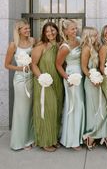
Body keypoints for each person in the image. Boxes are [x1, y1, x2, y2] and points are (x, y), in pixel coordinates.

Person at [31, 22, 63, 152]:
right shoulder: (41, 46)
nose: (50, 33)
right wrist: (41, 78)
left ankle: (53, 139)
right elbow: (33, 64)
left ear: (57, 31)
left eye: (52, 30)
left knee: (56, 109)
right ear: (44, 33)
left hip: (57, 81)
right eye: (47, 31)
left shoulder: (60, 45)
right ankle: (44, 141)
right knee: (47, 110)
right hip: (44, 82)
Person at [5, 19, 35, 150]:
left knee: (31, 109)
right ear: (19, 31)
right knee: (21, 110)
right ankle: (20, 141)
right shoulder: (13, 45)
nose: (28, 30)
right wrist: (21, 68)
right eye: (25, 29)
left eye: (28, 28)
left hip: (32, 78)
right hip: (20, 80)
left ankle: (30, 137)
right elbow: (7, 65)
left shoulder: (33, 41)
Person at [56, 19, 85, 151]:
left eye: (75, 28)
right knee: (74, 106)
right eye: (72, 29)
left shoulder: (79, 40)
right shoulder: (64, 47)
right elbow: (58, 65)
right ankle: (72, 140)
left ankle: (80, 135)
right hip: (71, 76)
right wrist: (68, 78)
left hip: (81, 74)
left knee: (80, 105)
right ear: (66, 31)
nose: (75, 30)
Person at [80, 27, 107, 150]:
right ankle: (91, 135)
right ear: (88, 36)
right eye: (94, 35)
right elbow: (84, 67)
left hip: (97, 80)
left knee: (102, 108)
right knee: (96, 110)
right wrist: (92, 78)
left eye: (97, 35)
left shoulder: (95, 47)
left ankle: (94, 135)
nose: (96, 37)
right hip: (90, 82)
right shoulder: (86, 48)